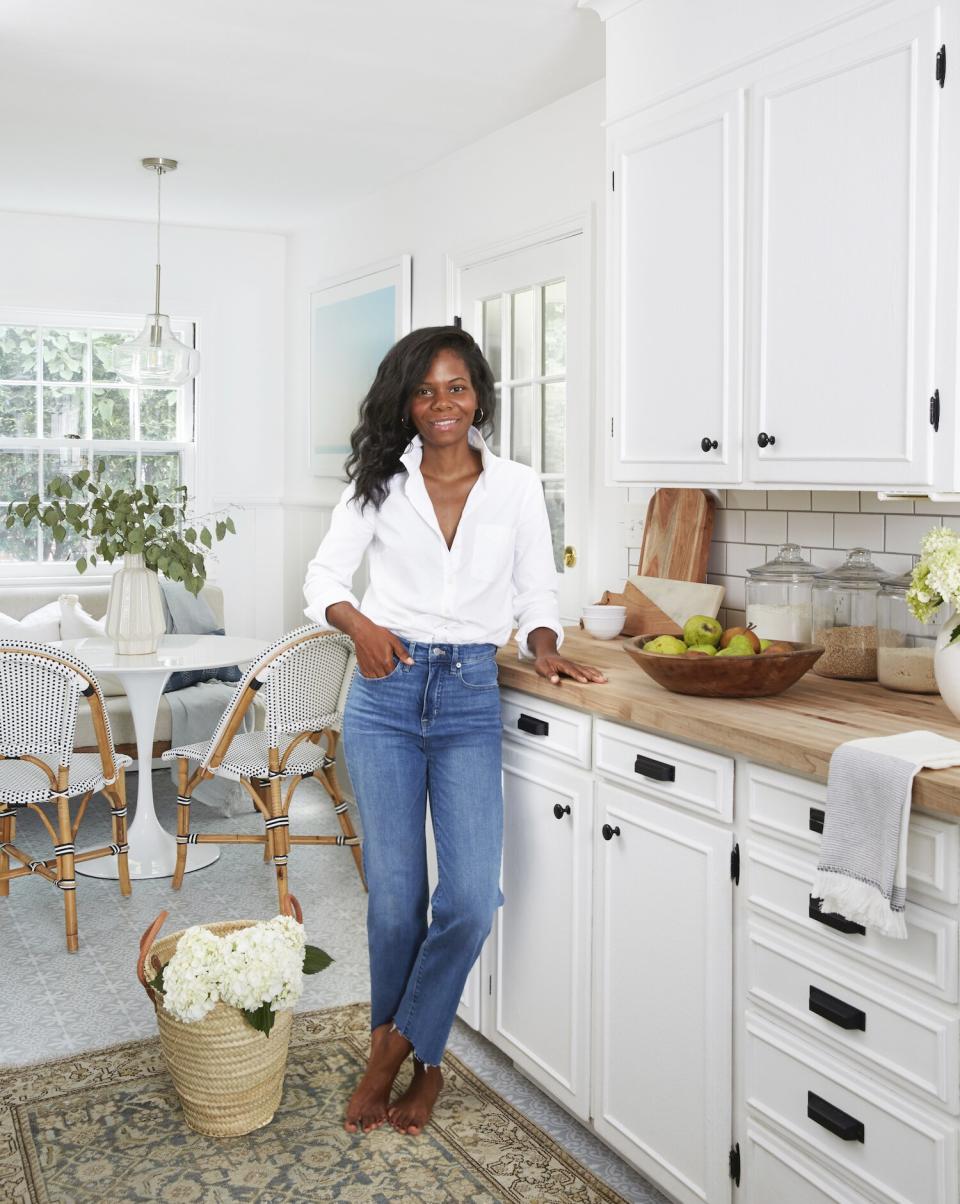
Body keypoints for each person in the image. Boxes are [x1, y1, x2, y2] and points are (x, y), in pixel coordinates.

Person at [303, 325, 606, 1136]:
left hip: (472, 693)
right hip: (385, 693)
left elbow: (537, 592)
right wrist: (358, 626)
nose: (444, 405)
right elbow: (324, 579)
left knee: (469, 898)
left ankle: (389, 1052)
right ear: (407, 401)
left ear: (480, 397)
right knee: (397, 903)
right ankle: (427, 1070)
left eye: (459, 388)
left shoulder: (514, 486)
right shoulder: (377, 482)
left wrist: (545, 649)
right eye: (428, 390)